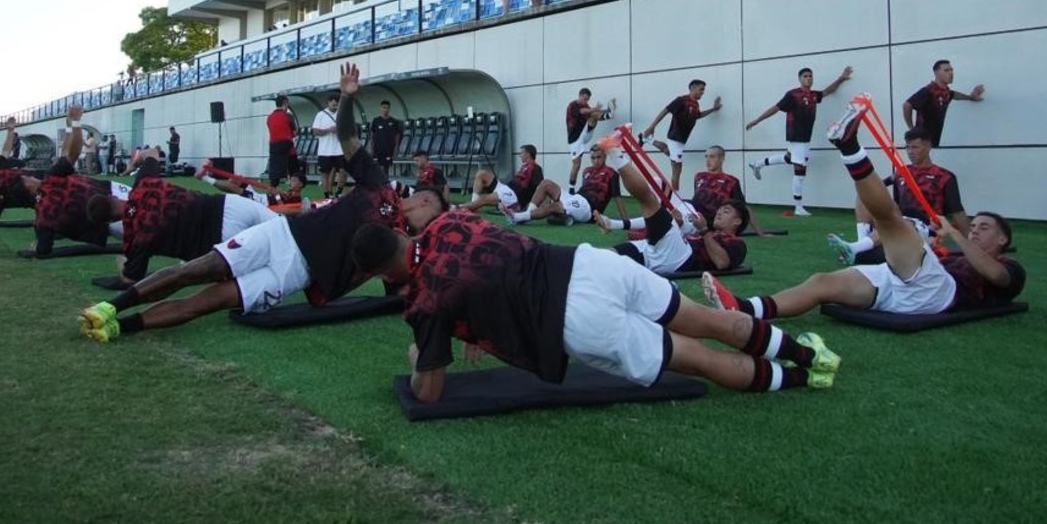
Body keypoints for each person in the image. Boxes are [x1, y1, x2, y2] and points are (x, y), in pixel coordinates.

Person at [77, 63, 448, 343]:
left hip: (295, 274)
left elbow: (408, 284)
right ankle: (112, 306)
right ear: (425, 199)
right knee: (196, 270)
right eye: (436, 210)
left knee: (209, 301)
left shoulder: (402, 243)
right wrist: (348, 97)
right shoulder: (379, 186)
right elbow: (348, 136)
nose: (433, 219)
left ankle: (116, 328)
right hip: (283, 235)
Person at [351, 211, 840, 402]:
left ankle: (800, 379)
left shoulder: (425, 301)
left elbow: (430, 391)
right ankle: (806, 354)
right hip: (590, 265)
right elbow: (484, 270)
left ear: (380, 273)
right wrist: (475, 324)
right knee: (707, 319)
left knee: (697, 357)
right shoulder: (447, 221)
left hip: (573, 320)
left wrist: (420, 359)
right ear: (400, 231)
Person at [705, 100, 1024, 321]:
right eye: (975, 225)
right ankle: (746, 309)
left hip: (938, 291)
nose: (976, 229)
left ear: (1002, 241)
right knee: (820, 283)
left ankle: (849, 146)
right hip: (901, 279)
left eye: (985, 227)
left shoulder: (1010, 267)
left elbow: (994, 275)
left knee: (892, 221)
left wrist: (956, 233)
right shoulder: (955, 248)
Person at [85, 158, 283, 287]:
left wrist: (121, 263)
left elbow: (131, 278)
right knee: (288, 233)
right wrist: (135, 162)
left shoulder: (135, 237)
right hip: (229, 205)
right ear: (113, 197)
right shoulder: (142, 185)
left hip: (218, 240)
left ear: (110, 220)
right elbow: (153, 153)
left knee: (264, 269)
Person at [591, 138, 750, 277]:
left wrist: (704, 231)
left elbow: (722, 263)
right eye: (721, 209)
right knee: (605, 256)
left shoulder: (737, 243)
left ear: (737, 221)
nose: (720, 212)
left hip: (682, 256)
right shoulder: (700, 177)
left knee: (649, 201)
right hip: (667, 243)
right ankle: (612, 227)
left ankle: (612, 149)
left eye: (726, 211)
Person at [824, 128, 970, 265]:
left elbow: (958, 212)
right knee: (864, 194)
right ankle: (861, 244)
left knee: (900, 222)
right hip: (899, 216)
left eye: (915, 147)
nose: (910, 152)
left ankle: (857, 249)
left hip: (925, 226)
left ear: (928, 147)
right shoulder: (902, 172)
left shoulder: (944, 176)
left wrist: (970, 243)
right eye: (908, 147)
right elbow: (876, 185)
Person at [745, 65, 854, 216]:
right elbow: (776, 108)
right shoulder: (793, 95)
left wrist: (841, 79)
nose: (808, 78)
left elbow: (828, 91)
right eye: (805, 76)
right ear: (800, 79)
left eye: (810, 76)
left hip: (805, 137)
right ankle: (798, 207)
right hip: (797, 136)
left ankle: (757, 164)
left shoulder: (814, 95)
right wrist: (757, 120)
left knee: (789, 158)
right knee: (800, 172)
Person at [506, 143, 623, 225]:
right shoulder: (587, 171)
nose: (596, 160)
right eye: (593, 158)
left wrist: (626, 222)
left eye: (599, 157)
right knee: (546, 183)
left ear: (605, 156)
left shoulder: (611, 174)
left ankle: (517, 217)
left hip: (588, 208)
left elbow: (618, 198)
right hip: (577, 199)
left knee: (556, 206)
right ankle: (528, 216)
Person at [641, 79, 723, 193]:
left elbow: (698, 115)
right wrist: (652, 126)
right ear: (693, 88)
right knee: (677, 168)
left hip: (681, 140)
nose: (702, 93)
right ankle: (675, 197)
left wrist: (713, 109)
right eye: (701, 90)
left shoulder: (695, 104)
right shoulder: (681, 100)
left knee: (668, 152)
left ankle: (647, 140)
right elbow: (665, 110)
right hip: (675, 138)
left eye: (703, 91)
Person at [902, 59, 985, 147]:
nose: (951, 73)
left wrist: (970, 97)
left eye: (951, 70)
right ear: (936, 73)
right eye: (946, 70)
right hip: (923, 140)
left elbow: (954, 94)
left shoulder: (946, 92)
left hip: (935, 140)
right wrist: (912, 129)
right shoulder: (929, 91)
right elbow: (907, 105)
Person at [459, 145, 542, 214]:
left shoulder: (536, 169)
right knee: (481, 174)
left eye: (522, 153)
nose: (520, 155)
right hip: (506, 188)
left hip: (513, 196)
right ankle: (474, 205)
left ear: (528, 154)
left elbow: (539, 188)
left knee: (483, 199)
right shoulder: (524, 167)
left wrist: (528, 206)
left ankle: (457, 208)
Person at [564, 88, 614, 187]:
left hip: (585, 133)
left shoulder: (586, 106)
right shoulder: (573, 105)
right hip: (575, 139)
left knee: (593, 116)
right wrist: (594, 109)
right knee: (576, 165)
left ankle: (608, 115)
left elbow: (593, 113)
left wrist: (606, 110)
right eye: (584, 99)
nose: (586, 101)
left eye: (587, 100)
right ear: (580, 95)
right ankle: (571, 188)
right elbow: (582, 111)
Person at [312, 93, 346, 196]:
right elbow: (315, 131)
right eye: (333, 102)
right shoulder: (321, 115)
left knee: (343, 171)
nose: (335, 104)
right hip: (325, 150)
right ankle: (327, 193)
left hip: (339, 149)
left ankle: (339, 190)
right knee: (325, 173)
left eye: (337, 102)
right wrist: (329, 130)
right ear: (328, 103)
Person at [265, 94, 298, 186]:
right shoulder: (288, 116)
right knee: (293, 169)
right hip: (287, 144)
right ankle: (293, 190)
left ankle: (273, 192)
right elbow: (294, 132)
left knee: (275, 172)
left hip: (274, 145)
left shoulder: (269, 117)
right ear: (285, 103)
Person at [368, 99, 403, 176]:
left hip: (389, 149)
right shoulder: (376, 121)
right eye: (384, 107)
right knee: (377, 168)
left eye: (387, 108)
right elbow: (372, 135)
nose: (385, 110)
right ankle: (378, 185)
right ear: (380, 108)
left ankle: (385, 185)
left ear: (389, 109)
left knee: (386, 169)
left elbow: (397, 136)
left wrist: (396, 149)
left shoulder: (394, 121)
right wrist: (371, 149)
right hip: (378, 149)